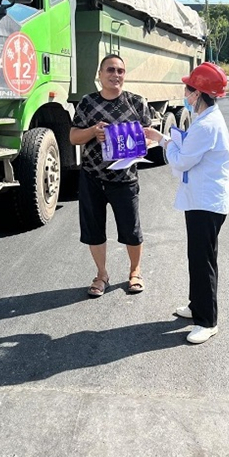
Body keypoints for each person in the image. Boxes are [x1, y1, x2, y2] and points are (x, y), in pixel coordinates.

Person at [145, 63, 229, 344]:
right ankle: (197, 306)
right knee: (197, 256)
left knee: (203, 260)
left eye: (188, 89)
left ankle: (207, 321)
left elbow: (182, 160)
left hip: (206, 203)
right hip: (201, 200)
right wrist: (164, 139)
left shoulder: (206, 125)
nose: (185, 94)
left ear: (198, 93)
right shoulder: (204, 118)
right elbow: (188, 149)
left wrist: (164, 143)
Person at [70, 54, 152, 297]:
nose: (115, 75)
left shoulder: (136, 102)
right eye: (110, 70)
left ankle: (135, 272)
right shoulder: (87, 103)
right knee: (93, 229)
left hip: (125, 179)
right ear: (100, 74)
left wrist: (139, 143)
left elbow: (149, 136)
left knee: (131, 230)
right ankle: (101, 274)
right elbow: (73, 137)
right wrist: (93, 131)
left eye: (120, 71)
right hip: (92, 177)